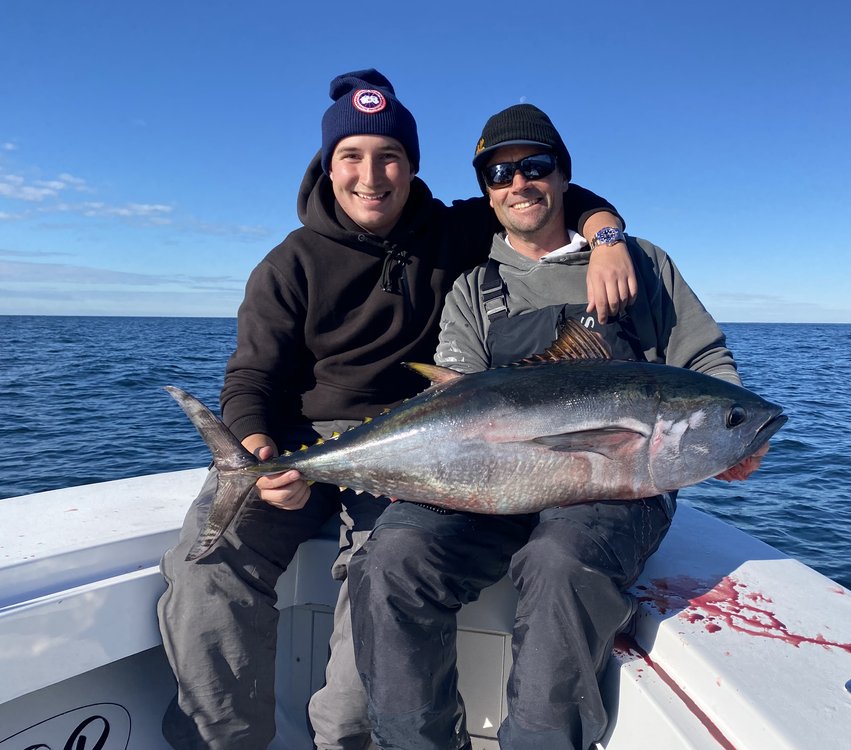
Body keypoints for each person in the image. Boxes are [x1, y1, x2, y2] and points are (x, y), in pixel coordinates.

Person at [155, 71, 635, 750]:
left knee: (381, 595)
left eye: (390, 158)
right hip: (295, 445)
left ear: (411, 167)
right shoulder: (287, 264)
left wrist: (608, 236)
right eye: (351, 156)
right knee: (207, 569)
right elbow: (251, 378)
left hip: (418, 446)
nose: (370, 176)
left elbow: (538, 191)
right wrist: (260, 449)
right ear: (328, 165)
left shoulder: (451, 231)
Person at [349, 103, 769, 750]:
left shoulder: (641, 262)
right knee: (392, 556)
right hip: (491, 486)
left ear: (564, 177)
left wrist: (733, 426)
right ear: (487, 193)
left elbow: (706, 360)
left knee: (561, 559)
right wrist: (427, 463)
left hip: (615, 491)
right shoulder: (474, 286)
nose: (518, 183)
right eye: (499, 173)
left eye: (535, 166)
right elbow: (455, 395)